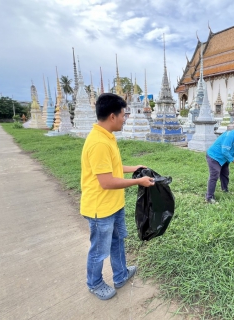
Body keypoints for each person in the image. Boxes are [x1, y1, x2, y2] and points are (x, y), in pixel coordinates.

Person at [80, 93, 155, 300]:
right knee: (99, 250)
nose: (125, 118)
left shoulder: (107, 137)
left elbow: (113, 168)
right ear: (112, 116)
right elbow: (106, 181)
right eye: (123, 114)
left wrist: (135, 168)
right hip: (100, 208)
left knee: (117, 241)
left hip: (114, 204)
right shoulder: (99, 143)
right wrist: (138, 181)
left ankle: (121, 275)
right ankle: (94, 283)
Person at [205, 122, 234, 204]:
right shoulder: (230, 136)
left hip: (223, 158)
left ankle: (225, 190)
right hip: (214, 156)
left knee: (225, 174)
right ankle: (209, 197)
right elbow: (225, 151)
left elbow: (233, 152)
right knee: (215, 174)